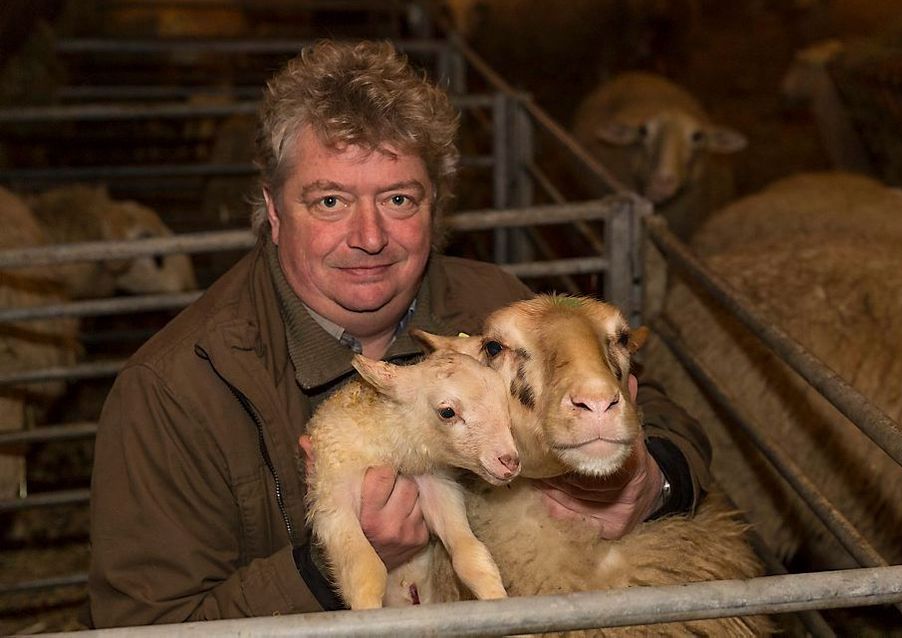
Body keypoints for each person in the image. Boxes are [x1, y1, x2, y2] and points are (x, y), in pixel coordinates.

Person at [87, 39, 712, 627]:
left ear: (436, 206)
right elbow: (147, 627)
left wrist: (650, 473)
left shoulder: (495, 310)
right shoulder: (177, 391)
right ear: (274, 213)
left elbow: (651, 407)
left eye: (399, 200)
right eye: (330, 201)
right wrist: (334, 563)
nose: (369, 237)